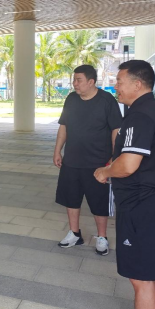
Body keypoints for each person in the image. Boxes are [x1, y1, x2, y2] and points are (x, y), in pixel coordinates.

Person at [94, 60, 155, 309]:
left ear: (137, 84)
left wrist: (105, 171)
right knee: (152, 270)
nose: (115, 86)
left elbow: (128, 165)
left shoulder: (139, 115)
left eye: (119, 81)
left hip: (140, 205)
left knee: (140, 278)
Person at [54, 65, 123, 256]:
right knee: (71, 198)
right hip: (72, 160)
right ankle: (74, 233)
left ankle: (102, 237)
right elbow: (63, 126)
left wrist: (113, 157)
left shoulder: (106, 100)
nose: (74, 84)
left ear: (91, 82)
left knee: (99, 201)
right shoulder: (71, 99)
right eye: (74, 80)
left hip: (98, 163)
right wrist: (57, 150)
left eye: (79, 80)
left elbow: (115, 129)